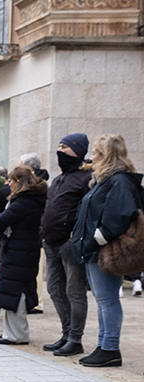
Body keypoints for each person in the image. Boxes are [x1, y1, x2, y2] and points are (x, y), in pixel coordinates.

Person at [71, 134, 141, 368]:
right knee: (103, 300)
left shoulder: (118, 180)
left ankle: (110, 348)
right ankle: (104, 346)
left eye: (95, 153)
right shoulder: (105, 180)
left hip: (104, 250)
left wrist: (97, 238)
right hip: (95, 248)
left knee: (107, 300)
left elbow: (119, 215)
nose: (91, 157)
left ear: (106, 155)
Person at [40, 133, 92, 357]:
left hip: (70, 244)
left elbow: (89, 211)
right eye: (59, 146)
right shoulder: (59, 179)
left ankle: (75, 339)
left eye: (65, 147)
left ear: (78, 151)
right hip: (51, 242)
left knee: (75, 292)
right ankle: (66, 333)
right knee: (54, 289)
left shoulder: (86, 178)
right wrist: (43, 234)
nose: (60, 151)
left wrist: (75, 236)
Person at [0, 166, 48, 345]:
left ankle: (17, 334)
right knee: (16, 289)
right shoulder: (31, 200)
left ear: (18, 182)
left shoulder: (23, 202)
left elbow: (0, 221)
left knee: (15, 291)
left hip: (19, 250)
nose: (8, 184)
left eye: (11, 181)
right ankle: (12, 332)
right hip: (22, 249)